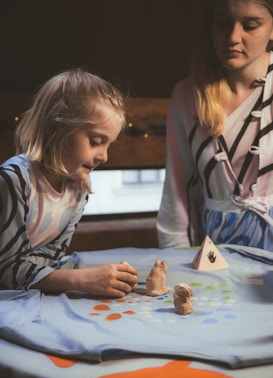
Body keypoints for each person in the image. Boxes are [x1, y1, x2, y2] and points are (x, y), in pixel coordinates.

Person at [0, 68, 138, 297]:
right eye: (95, 141)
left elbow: (50, 260)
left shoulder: (78, 190)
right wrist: (81, 279)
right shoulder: (14, 180)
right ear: (57, 128)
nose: (104, 156)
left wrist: (36, 271)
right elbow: (6, 272)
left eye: (108, 145)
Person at [157, 0, 273, 251]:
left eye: (250, 25)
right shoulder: (188, 95)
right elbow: (177, 193)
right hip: (215, 252)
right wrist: (178, 263)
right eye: (222, 23)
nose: (233, 37)